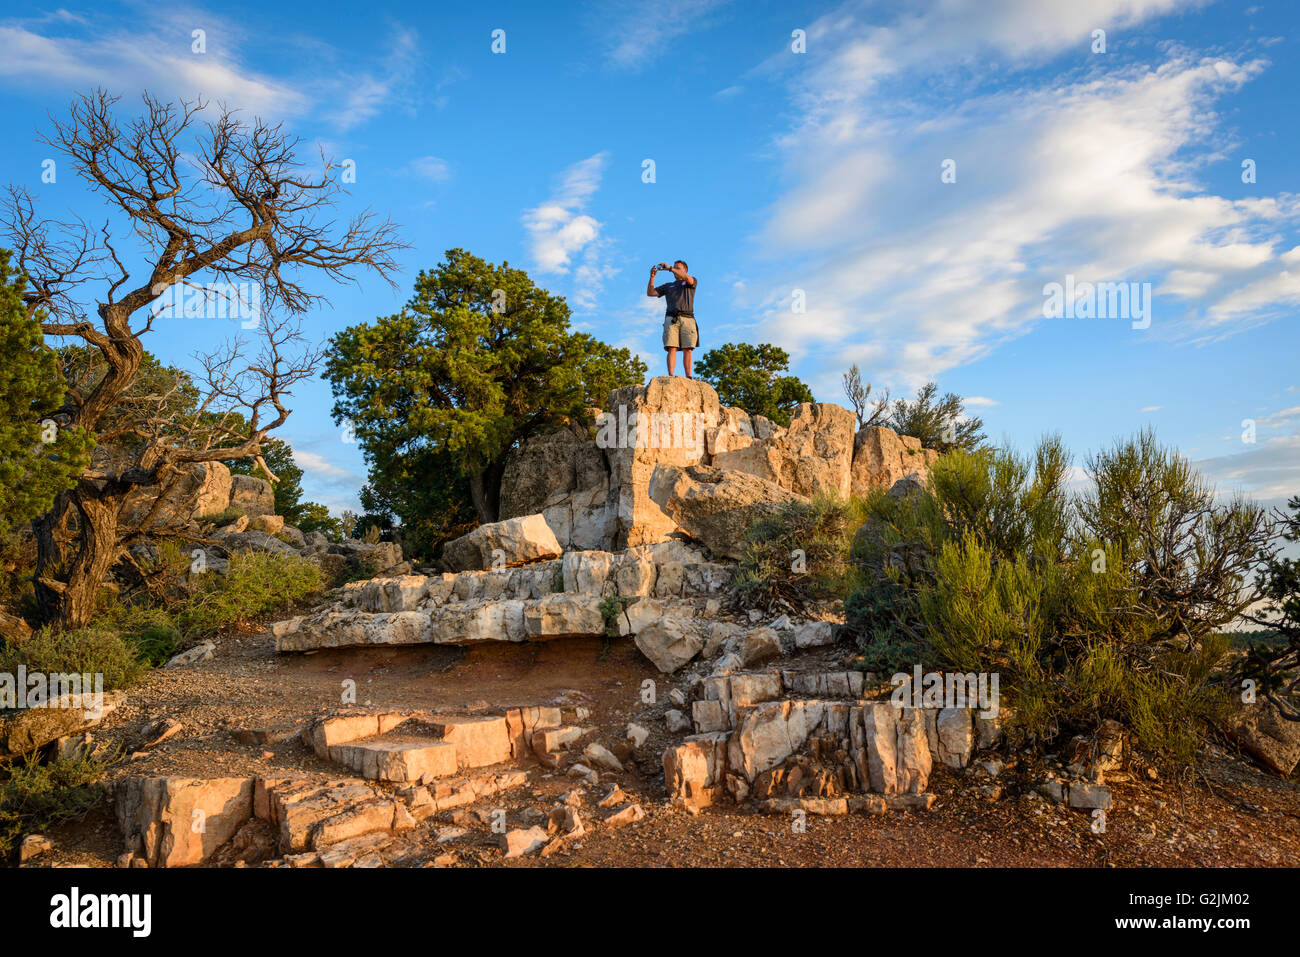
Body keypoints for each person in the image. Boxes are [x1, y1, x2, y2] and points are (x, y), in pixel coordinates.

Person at [647, 259, 698, 377]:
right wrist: (652, 277)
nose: (675, 270)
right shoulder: (668, 285)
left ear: (685, 270)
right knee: (672, 347)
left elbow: (685, 277)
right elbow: (650, 293)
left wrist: (669, 268)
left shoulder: (691, 281)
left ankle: (689, 376)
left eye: (678, 268)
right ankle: (670, 375)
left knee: (688, 348)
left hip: (688, 318)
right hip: (671, 318)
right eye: (674, 267)